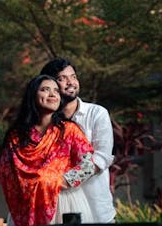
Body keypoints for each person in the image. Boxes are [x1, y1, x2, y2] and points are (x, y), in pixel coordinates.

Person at [0, 75, 97, 226]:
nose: (52, 94)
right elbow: (6, 171)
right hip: (26, 204)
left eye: (56, 91)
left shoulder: (69, 130)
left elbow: (88, 165)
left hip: (63, 202)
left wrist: (57, 180)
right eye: (45, 89)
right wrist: (31, 184)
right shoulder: (17, 136)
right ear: (32, 95)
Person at [40, 58, 116, 223]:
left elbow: (101, 158)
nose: (71, 82)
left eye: (73, 77)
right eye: (62, 78)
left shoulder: (97, 113)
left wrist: (65, 180)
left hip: (95, 208)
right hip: (53, 210)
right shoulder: (44, 120)